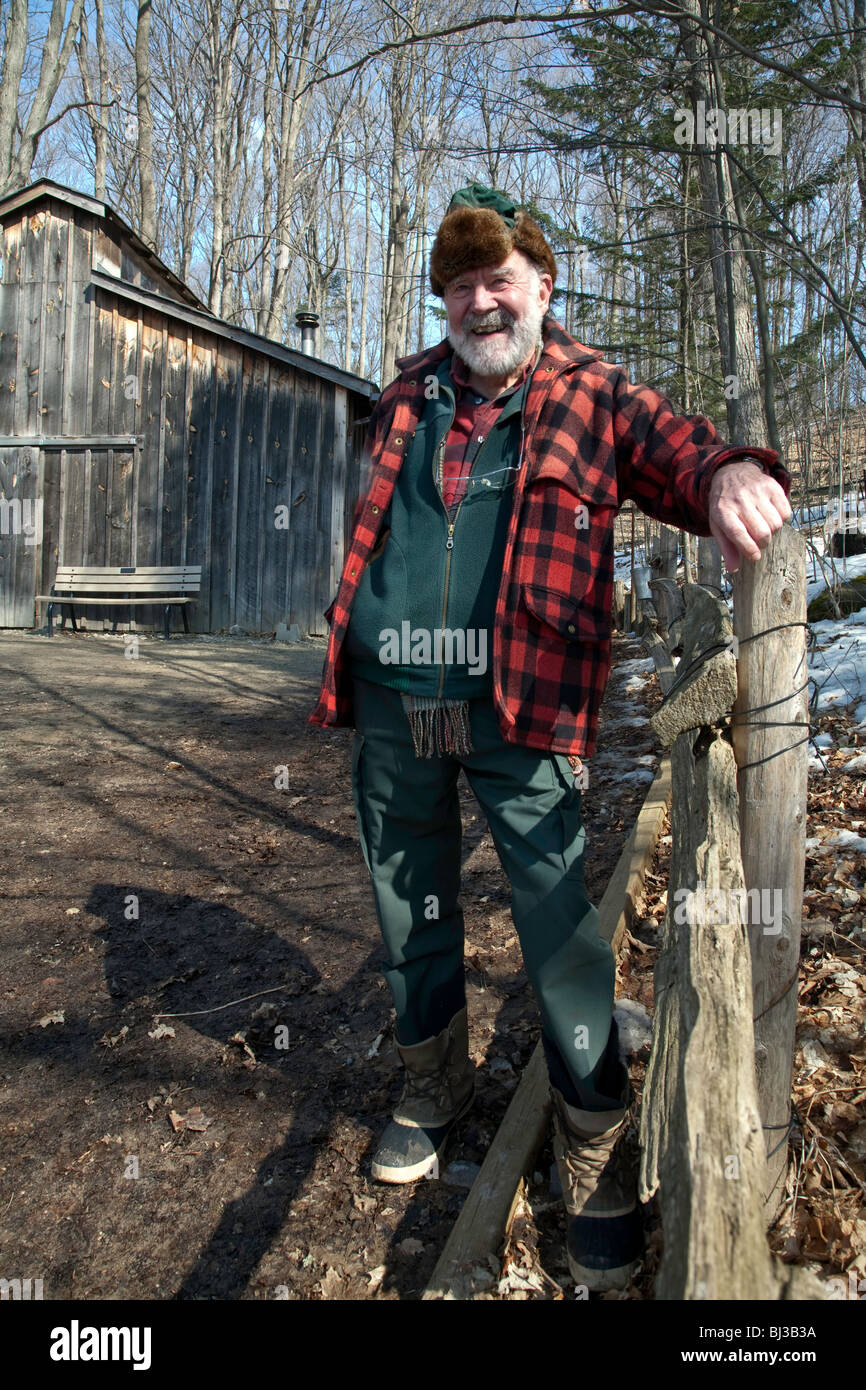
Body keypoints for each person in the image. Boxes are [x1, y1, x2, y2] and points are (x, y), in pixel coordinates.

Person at [308, 184, 792, 1292]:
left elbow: (677, 450)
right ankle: (434, 1084)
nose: (479, 304)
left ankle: (592, 1142)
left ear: (541, 287)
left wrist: (725, 471)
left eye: (498, 282)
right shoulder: (404, 397)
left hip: (518, 709)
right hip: (396, 706)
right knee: (408, 899)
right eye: (459, 287)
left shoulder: (593, 394)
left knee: (555, 921)